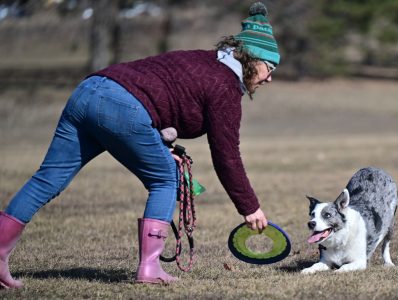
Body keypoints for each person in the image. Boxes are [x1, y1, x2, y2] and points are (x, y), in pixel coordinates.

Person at [0, 2, 279, 288]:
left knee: (48, 178)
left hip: (88, 90)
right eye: (269, 68)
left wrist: (159, 140)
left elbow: (162, 93)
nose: (270, 77)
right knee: (165, 179)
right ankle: (149, 268)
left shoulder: (200, 59)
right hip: (121, 107)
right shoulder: (225, 86)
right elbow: (226, 155)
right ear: (252, 60)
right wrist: (250, 206)